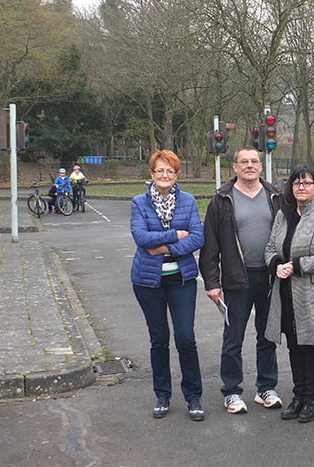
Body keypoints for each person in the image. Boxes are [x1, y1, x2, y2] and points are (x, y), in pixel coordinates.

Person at [200, 146, 283, 414]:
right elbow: (210, 246)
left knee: (267, 336)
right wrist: (212, 283)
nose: (249, 165)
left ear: (261, 166)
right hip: (237, 279)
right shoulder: (222, 200)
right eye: (243, 162)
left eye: (254, 161)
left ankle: (266, 388)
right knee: (233, 338)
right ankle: (232, 391)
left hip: (270, 277)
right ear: (234, 167)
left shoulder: (276, 196)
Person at [130, 150, 205, 422]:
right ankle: (162, 394)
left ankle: (193, 396)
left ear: (176, 174)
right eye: (160, 170)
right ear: (151, 174)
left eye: (170, 171)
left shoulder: (187, 201)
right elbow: (140, 236)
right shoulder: (139, 203)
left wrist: (161, 247)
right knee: (159, 339)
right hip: (148, 282)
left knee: (186, 338)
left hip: (181, 279)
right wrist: (174, 235)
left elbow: (197, 237)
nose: (165, 176)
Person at [264, 166, 314, 423]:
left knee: (310, 345)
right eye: (296, 183)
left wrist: (296, 266)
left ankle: (311, 399)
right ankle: (297, 396)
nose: (301, 188)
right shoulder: (283, 216)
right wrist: (276, 264)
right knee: (294, 346)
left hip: (311, 291)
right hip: (285, 291)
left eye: (307, 183)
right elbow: (271, 247)